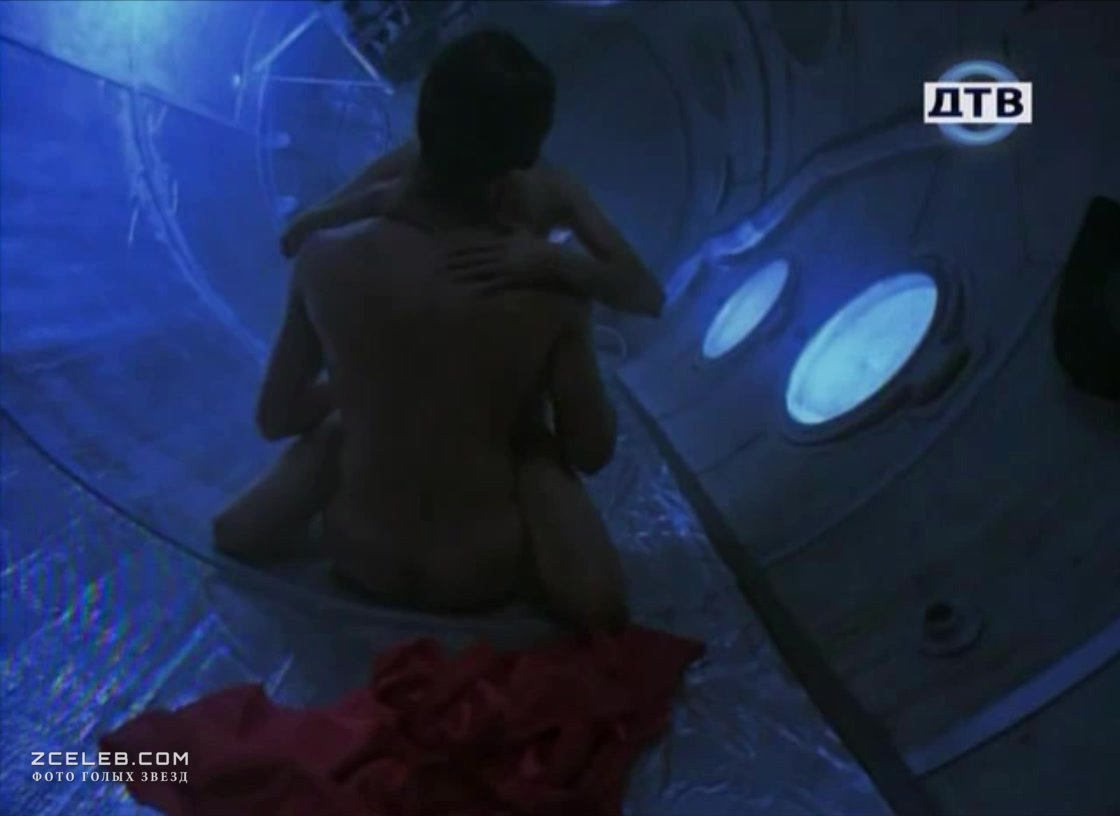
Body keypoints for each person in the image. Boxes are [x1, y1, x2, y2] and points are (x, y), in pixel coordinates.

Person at [214, 30, 662, 630]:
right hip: (480, 570)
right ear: (525, 152)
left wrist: (363, 377)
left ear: (424, 118)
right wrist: (560, 273)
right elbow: (592, 450)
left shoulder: (327, 261)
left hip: (358, 554)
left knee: (352, 417)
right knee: (531, 443)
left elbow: (276, 416)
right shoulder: (553, 296)